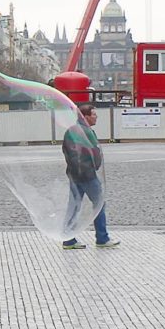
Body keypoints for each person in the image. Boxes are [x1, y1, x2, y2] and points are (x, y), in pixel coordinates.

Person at [61, 104, 119, 250]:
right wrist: (92, 167)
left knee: (73, 206)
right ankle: (102, 238)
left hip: (75, 175)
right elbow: (92, 152)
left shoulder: (72, 130)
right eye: (93, 114)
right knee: (99, 204)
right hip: (87, 175)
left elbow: (67, 152)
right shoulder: (85, 131)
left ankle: (68, 239)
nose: (96, 116)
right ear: (85, 116)